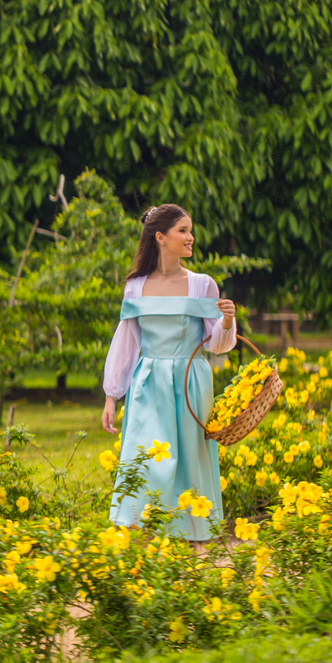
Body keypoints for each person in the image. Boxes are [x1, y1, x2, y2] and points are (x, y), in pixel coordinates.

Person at [100, 203, 236, 541]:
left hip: (190, 381)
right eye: (183, 231)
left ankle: (191, 535)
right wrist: (111, 396)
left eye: (191, 230)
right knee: (145, 456)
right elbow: (126, 342)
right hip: (147, 383)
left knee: (190, 458)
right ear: (161, 237)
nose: (191, 237)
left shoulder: (202, 285)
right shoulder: (135, 286)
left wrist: (228, 321)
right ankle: (142, 531)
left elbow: (215, 345)